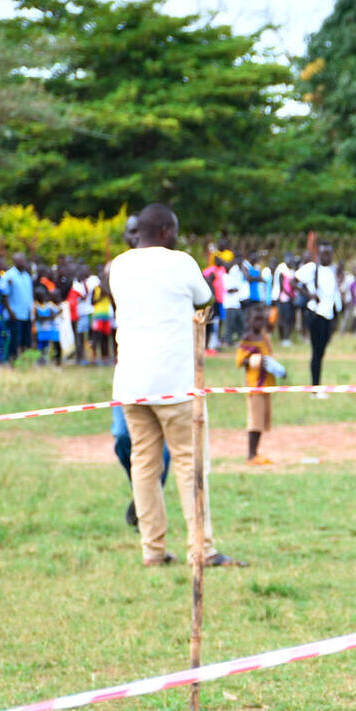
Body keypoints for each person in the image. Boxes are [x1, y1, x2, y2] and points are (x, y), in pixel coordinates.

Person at [108, 203, 241, 568]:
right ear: (166, 230)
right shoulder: (181, 263)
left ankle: (152, 550)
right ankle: (202, 548)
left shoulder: (118, 265)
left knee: (144, 465)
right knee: (189, 463)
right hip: (174, 383)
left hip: (131, 383)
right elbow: (204, 300)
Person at [299, 243, 340, 396]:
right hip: (316, 314)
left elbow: (334, 294)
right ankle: (315, 388)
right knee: (316, 352)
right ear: (319, 254)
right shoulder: (312, 268)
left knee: (321, 352)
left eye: (328, 253)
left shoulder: (333, 271)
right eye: (323, 253)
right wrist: (309, 295)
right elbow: (292, 282)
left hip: (329, 315)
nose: (326, 257)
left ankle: (317, 387)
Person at [238, 310, 277, 465]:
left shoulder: (264, 337)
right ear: (249, 320)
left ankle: (256, 453)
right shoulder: (247, 339)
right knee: (255, 421)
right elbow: (240, 360)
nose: (260, 323)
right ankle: (251, 454)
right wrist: (255, 360)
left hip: (266, 384)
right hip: (255, 386)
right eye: (256, 320)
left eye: (262, 320)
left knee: (261, 421)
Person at [3, 255, 35, 362]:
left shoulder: (27, 276)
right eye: (21, 261)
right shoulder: (9, 276)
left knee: (26, 341)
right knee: (15, 340)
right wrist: (10, 311)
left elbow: (30, 296)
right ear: (15, 261)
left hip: (26, 314)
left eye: (24, 260)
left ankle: (24, 362)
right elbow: (4, 295)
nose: (23, 263)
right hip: (15, 315)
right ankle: (12, 360)